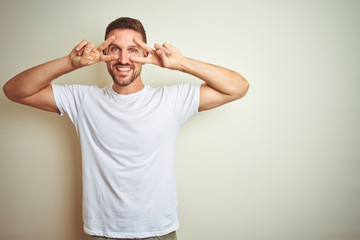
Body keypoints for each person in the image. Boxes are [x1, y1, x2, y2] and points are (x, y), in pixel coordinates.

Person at [3, 17, 249, 240]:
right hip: (103, 232)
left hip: (158, 231)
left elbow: (238, 87)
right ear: (103, 53)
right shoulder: (82, 99)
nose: (123, 59)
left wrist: (181, 63)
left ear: (145, 53)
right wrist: (70, 63)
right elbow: (14, 90)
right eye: (115, 50)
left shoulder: (171, 100)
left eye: (133, 50)